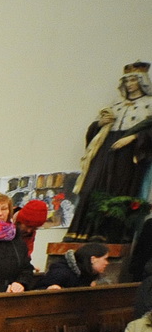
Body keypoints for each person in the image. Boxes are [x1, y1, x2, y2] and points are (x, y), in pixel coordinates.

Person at [70, 62, 152, 240]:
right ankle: (82, 232)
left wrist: (133, 137)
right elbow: (95, 130)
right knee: (91, 186)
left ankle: (110, 234)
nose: (129, 84)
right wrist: (100, 123)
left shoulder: (149, 104)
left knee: (120, 191)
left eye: (133, 80)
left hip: (128, 152)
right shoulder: (116, 105)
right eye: (127, 81)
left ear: (142, 81)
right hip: (106, 148)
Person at [38, 241, 111, 290]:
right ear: (93, 259)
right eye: (105, 259)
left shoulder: (88, 274)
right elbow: (38, 290)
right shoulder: (61, 272)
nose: (107, 263)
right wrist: (49, 289)